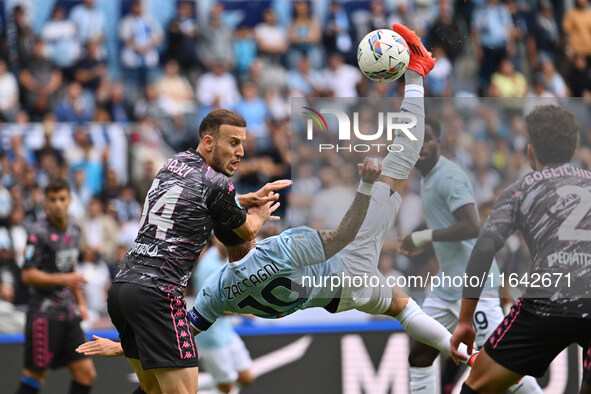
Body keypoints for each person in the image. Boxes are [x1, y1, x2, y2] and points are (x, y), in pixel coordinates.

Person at [81, 24, 474, 370]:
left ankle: (459, 353)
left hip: (337, 297)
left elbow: (187, 325)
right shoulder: (281, 249)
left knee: (401, 305)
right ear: (247, 234)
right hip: (346, 263)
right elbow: (342, 237)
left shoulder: (217, 289)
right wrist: (366, 185)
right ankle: (418, 72)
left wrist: (122, 348)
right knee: (400, 162)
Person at [106, 108, 291, 394]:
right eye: (233, 143)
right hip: (159, 293)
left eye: (242, 143)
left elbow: (192, 197)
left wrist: (239, 199)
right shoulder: (218, 183)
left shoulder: (173, 163)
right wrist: (260, 213)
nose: (241, 152)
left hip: (123, 288)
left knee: (153, 391)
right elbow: (248, 231)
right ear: (208, 142)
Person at [450, 105, 591, 393]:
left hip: (545, 303)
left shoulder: (519, 190)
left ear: (530, 151)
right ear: (575, 148)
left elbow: (484, 248)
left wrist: (466, 319)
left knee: (475, 387)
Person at [398, 118, 542, 393]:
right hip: (447, 285)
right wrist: (421, 239)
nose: (421, 146)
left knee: (501, 367)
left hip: (475, 287)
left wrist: (424, 237)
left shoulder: (449, 177)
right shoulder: (429, 179)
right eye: (415, 140)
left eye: (427, 139)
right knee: (420, 355)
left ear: (438, 142)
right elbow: (446, 223)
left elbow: (471, 226)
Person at [16, 178, 96, 394]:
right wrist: (63, 280)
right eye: (52, 200)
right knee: (34, 379)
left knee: (86, 374)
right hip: (44, 315)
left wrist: (80, 303)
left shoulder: (75, 228)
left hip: (68, 314)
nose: (58, 204)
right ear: (46, 203)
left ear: (69, 200)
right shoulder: (37, 232)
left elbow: (70, 269)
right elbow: (27, 274)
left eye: (62, 199)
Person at [192, 237, 254, 394]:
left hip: (226, 331)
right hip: (211, 337)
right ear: (215, 238)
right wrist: (243, 311)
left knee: (246, 377)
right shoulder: (207, 268)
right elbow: (208, 307)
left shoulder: (229, 256)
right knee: (227, 388)